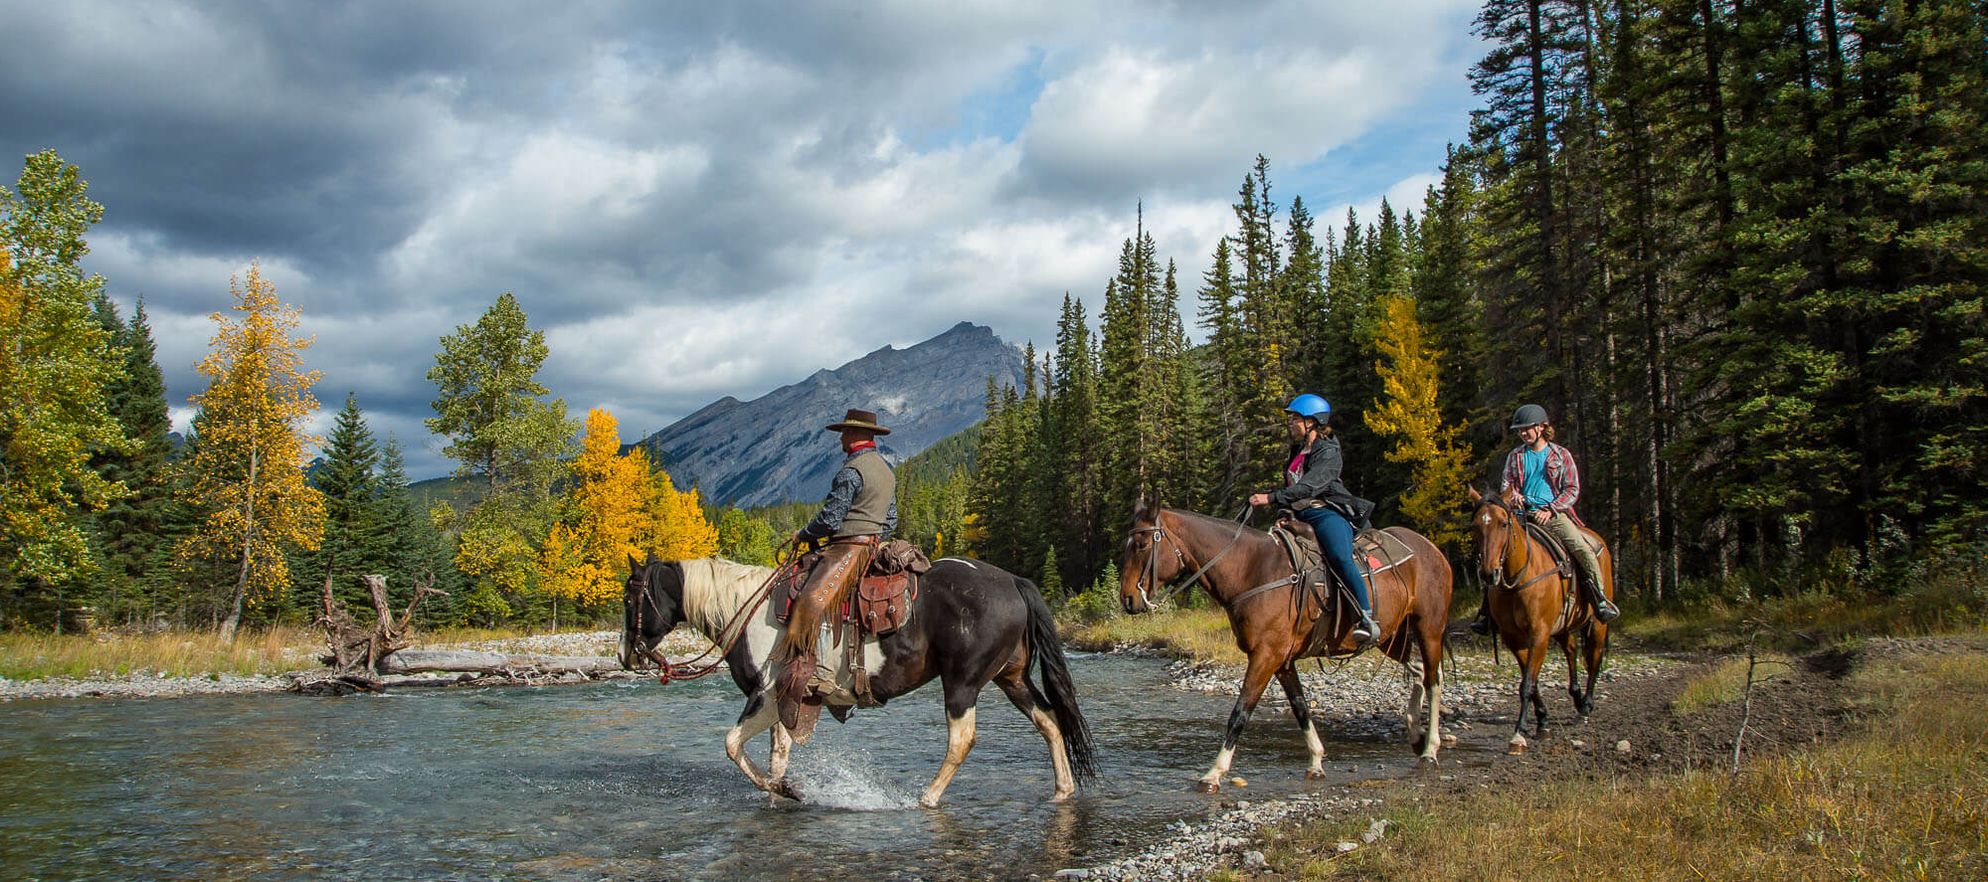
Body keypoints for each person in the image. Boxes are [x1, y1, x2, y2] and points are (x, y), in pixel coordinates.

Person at [778, 408, 898, 728]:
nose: (842, 439)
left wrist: (802, 534)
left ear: (858, 436)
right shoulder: (886, 471)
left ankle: (817, 675)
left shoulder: (851, 471)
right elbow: (892, 520)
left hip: (849, 548)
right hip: (876, 545)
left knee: (810, 601)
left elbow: (831, 519)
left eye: (845, 433)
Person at [1470, 404, 1619, 634]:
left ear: (1541, 427)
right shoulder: (1515, 456)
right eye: (1520, 430)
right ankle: (1488, 611)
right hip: (1520, 516)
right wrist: (1513, 498)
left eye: (1527, 429)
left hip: (1554, 516)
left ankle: (1599, 598)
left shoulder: (1561, 455)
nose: (1523, 433)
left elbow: (1572, 489)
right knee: (1493, 552)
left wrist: (1550, 509)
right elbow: (1506, 486)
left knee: (1581, 548)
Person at [1247, 394, 1379, 646]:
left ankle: (1366, 616)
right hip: (1298, 515)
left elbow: (1308, 487)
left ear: (1313, 422)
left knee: (1340, 556)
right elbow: (1294, 484)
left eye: (1296, 419)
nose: (1291, 424)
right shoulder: (1298, 450)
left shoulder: (1329, 453)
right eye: (1292, 419)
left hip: (1324, 512)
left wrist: (1271, 498)